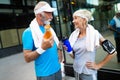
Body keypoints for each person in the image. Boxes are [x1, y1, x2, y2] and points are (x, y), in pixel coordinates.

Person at [64, 9, 116, 80]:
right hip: (76, 70)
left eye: (75, 18)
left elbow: (113, 52)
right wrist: (69, 50)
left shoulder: (94, 34)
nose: (73, 21)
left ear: (84, 20)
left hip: (88, 73)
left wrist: (99, 65)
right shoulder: (74, 35)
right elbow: (75, 56)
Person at [22, 1, 62, 80]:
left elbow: (55, 43)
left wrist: (59, 49)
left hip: (57, 69)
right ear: (39, 15)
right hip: (45, 74)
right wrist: (42, 48)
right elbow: (27, 58)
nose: (51, 16)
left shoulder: (48, 28)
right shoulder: (28, 32)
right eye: (49, 13)